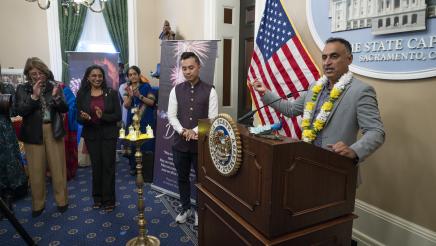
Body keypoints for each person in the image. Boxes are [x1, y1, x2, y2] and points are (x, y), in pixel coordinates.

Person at [252, 37, 385, 164]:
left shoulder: (361, 91)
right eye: (324, 57)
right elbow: (290, 110)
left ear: (349, 59)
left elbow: (376, 131)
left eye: (334, 56)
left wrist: (354, 150)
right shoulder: (314, 87)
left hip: (337, 168)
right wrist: (264, 92)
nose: (327, 62)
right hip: (307, 162)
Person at [168, 52, 218, 226]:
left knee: (200, 181)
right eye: (184, 68)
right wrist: (183, 131)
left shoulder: (210, 90)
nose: (187, 71)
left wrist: (193, 131)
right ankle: (185, 208)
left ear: (198, 67)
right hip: (179, 144)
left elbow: (212, 118)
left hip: (200, 146)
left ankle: (198, 210)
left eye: (191, 67)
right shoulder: (176, 89)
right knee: (182, 178)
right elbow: (171, 116)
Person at [15, 57, 69, 217]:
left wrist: (57, 97)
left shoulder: (54, 86)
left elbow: (64, 108)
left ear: (45, 72)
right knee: (36, 170)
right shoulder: (23, 89)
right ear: (28, 74)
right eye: (33, 74)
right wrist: (34, 97)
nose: (37, 76)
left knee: (58, 168)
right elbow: (20, 111)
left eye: (40, 73)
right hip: (33, 132)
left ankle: (62, 201)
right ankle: (38, 204)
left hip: (53, 130)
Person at [76, 65, 121, 212]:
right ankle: (97, 197)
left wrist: (103, 116)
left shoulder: (112, 93)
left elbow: (118, 116)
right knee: (96, 167)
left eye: (100, 75)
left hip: (109, 135)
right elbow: (78, 118)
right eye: (93, 75)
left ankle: (109, 199)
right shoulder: (82, 94)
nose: (97, 78)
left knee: (108, 166)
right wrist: (87, 118)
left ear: (103, 77)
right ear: (88, 78)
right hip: (92, 135)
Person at [0, 79, 28, 218]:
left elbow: (14, 112)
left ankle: (9, 194)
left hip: (4, 131)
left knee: (8, 161)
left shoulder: (6, 87)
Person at [122, 66, 156, 179]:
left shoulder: (146, 86)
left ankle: (147, 166)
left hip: (146, 119)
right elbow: (126, 106)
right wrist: (131, 97)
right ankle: (133, 167)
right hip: (132, 120)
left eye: (134, 74)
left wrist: (139, 96)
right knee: (133, 143)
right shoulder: (128, 88)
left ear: (139, 74)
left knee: (146, 143)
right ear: (128, 77)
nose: (133, 76)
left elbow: (151, 102)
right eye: (130, 75)